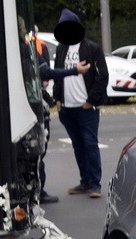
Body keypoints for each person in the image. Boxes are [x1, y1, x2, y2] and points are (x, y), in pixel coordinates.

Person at [51, 9, 110, 199]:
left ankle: (95, 184)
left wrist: (90, 101)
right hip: (67, 109)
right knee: (78, 145)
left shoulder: (92, 48)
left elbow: (103, 76)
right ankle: (85, 182)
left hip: (86, 108)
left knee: (90, 144)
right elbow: (57, 74)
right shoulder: (61, 49)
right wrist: (57, 99)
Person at [34, 30, 90, 203]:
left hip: (42, 102)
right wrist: (74, 71)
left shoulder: (29, 47)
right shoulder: (25, 48)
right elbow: (47, 72)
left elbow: (46, 72)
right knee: (37, 151)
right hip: (38, 105)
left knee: (37, 153)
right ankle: (38, 190)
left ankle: (37, 190)